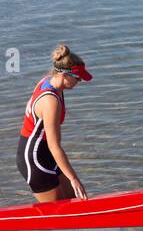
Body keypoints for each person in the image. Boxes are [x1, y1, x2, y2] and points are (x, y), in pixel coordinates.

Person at [18, 45, 92, 202]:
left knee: (75, 203)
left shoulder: (48, 81)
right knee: (60, 214)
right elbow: (54, 146)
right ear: (65, 75)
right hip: (34, 159)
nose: (79, 81)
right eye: (78, 78)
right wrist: (73, 178)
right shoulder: (51, 101)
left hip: (47, 154)